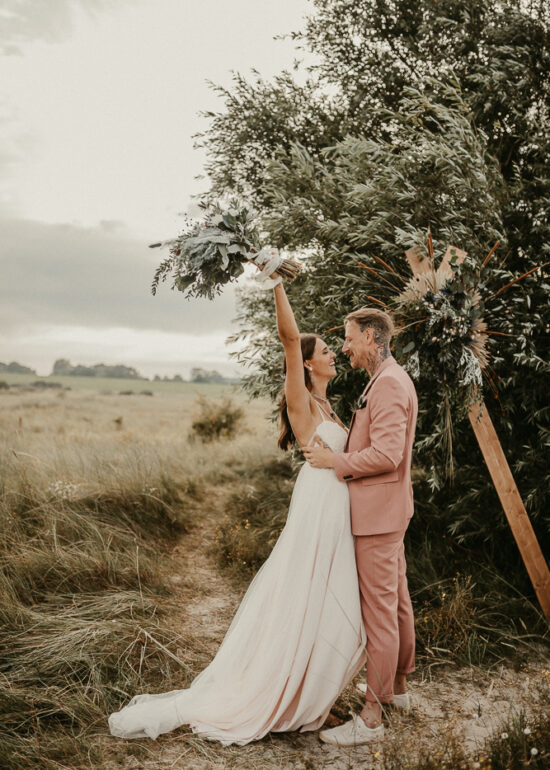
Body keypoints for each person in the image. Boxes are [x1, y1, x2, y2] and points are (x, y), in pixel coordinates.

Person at [108, 281, 366, 745]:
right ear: (307, 363)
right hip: (317, 508)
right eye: (326, 349)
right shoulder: (302, 400)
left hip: (336, 508)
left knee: (331, 599)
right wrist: (279, 284)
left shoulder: (331, 404)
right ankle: (289, 696)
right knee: (308, 595)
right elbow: (289, 338)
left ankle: (309, 694)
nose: (333, 354)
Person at [303, 307, 418, 747]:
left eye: (349, 338)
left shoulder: (388, 384)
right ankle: (398, 690)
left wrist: (337, 462)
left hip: (376, 517)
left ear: (371, 336)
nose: (345, 347)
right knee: (399, 602)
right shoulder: (390, 376)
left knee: (380, 615)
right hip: (389, 511)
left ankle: (371, 717)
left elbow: (387, 454)